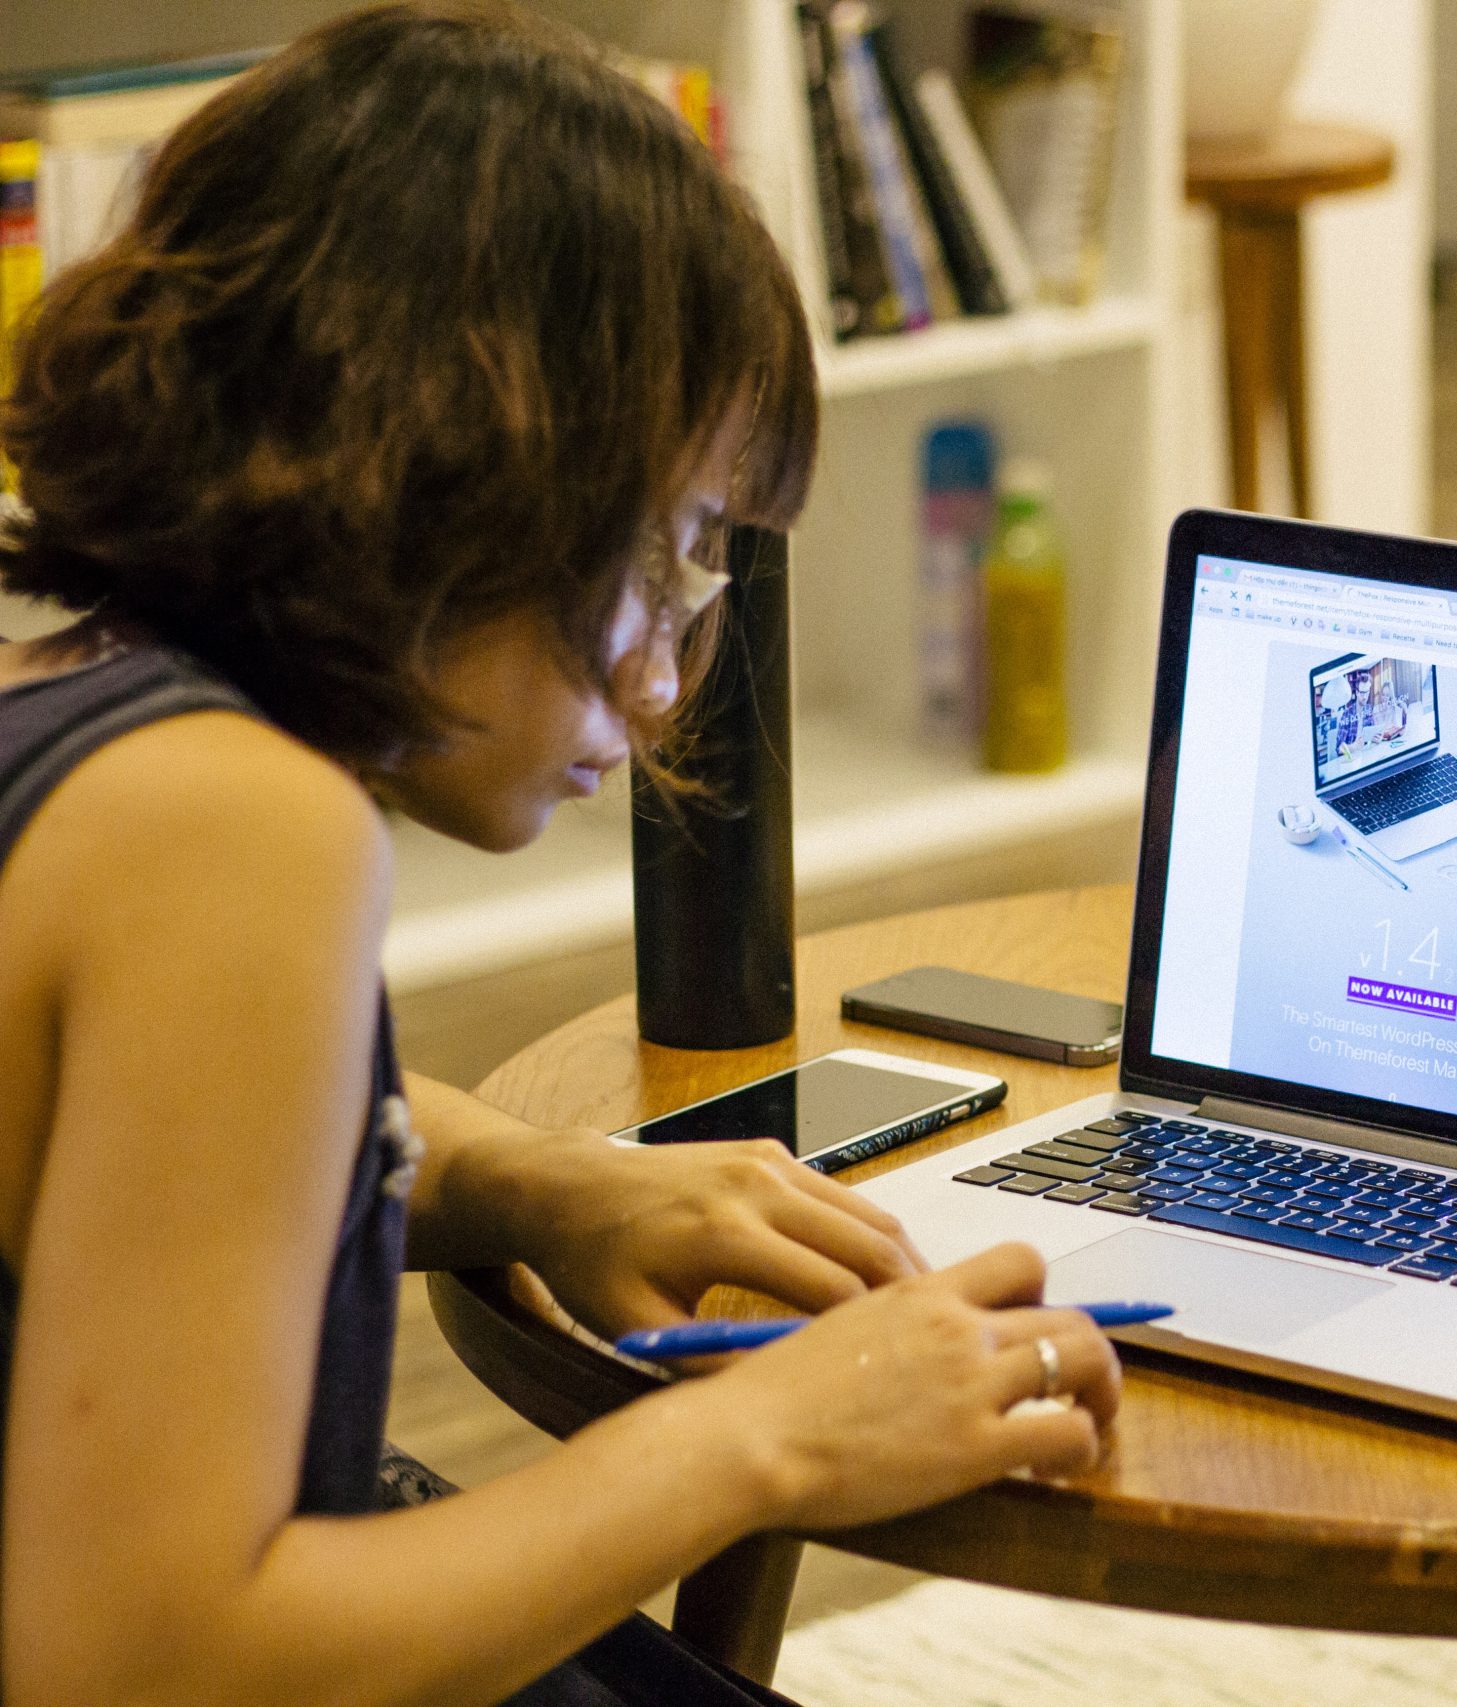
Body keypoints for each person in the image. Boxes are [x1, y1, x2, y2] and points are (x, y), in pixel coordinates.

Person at [0, 6, 1118, 1704]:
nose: (669, 678)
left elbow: (155, 1139)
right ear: (470, 467)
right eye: (662, 555)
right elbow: (143, 1662)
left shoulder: (65, 686)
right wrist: (770, 1437)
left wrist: (539, 1178)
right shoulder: (240, 833)